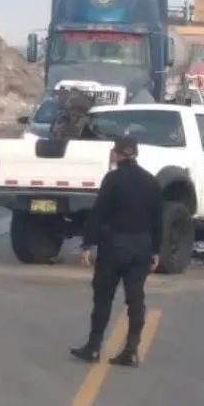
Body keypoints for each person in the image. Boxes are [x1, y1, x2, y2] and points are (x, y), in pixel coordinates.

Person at [71, 137, 163, 367]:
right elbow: (158, 220)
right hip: (141, 247)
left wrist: (87, 245)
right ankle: (131, 350)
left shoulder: (113, 180)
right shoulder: (151, 181)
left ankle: (93, 347)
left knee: (103, 299)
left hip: (114, 246)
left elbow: (98, 213)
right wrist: (156, 251)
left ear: (118, 153)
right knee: (135, 299)